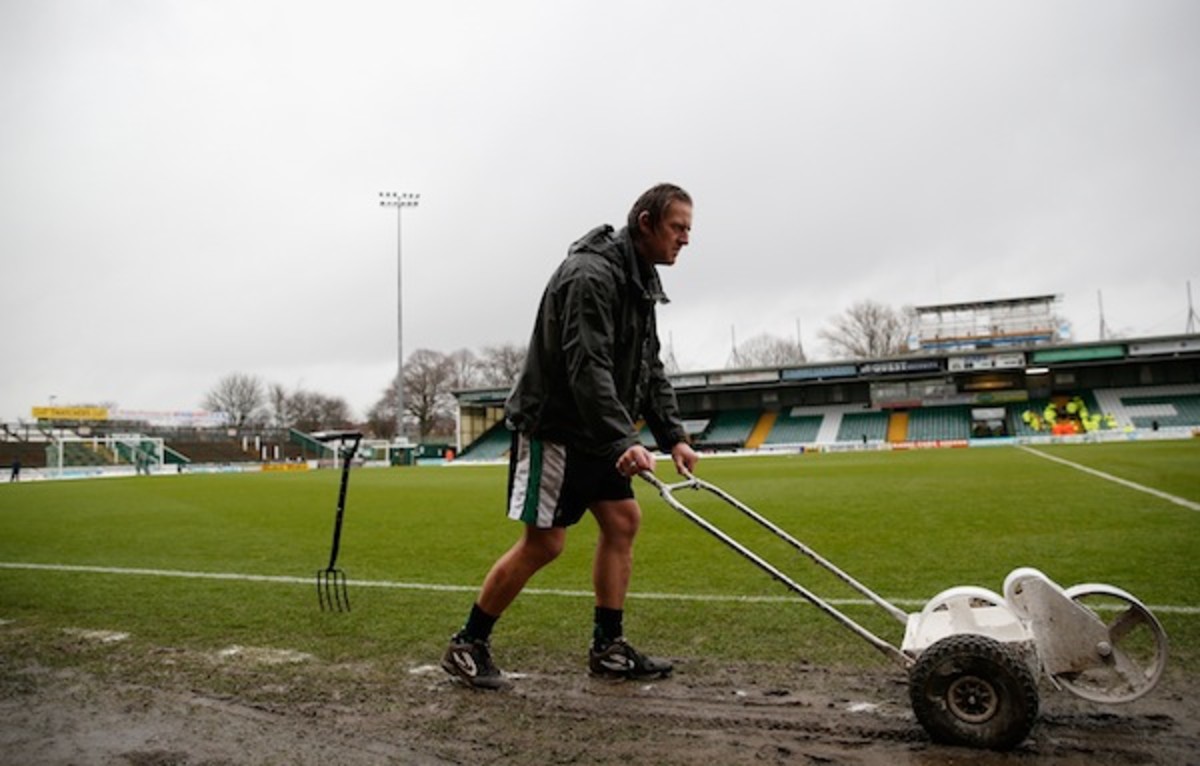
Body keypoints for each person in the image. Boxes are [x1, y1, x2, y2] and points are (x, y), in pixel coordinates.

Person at [442, 183, 701, 690]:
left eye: (689, 229)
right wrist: (623, 439)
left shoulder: (640, 279)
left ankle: (608, 648)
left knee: (622, 521)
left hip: (596, 429)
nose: (686, 239)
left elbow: (647, 367)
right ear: (646, 223)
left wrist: (674, 436)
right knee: (544, 543)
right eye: (678, 227)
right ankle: (467, 645)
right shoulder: (589, 275)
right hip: (556, 427)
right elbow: (588, 365)